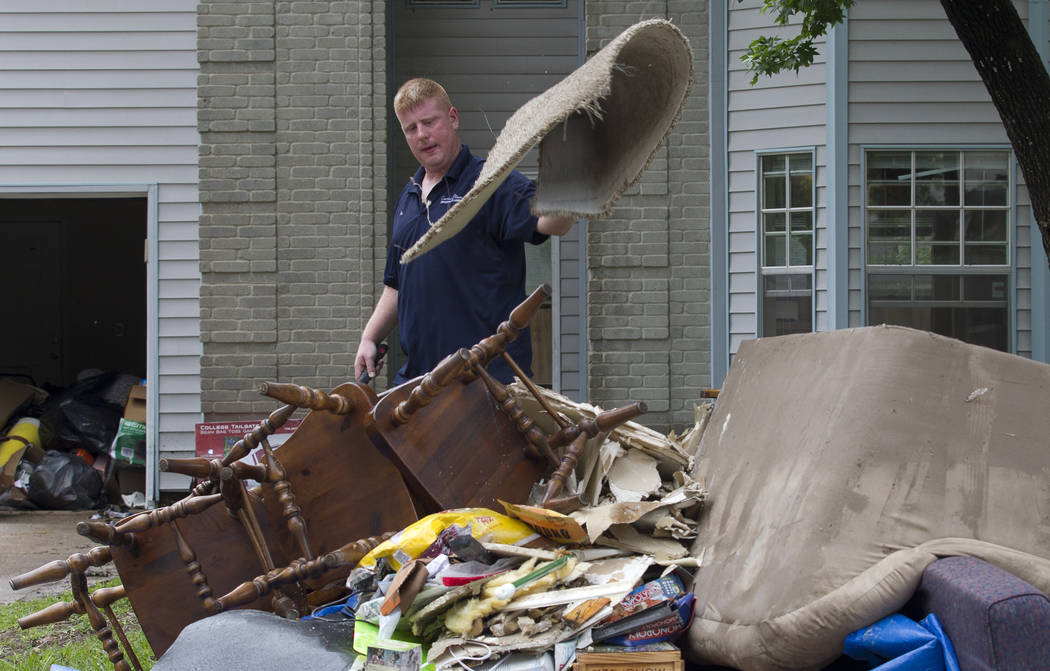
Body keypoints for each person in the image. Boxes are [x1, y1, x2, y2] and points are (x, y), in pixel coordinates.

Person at [354, 79, 574, 386]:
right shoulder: (410, 196)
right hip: (421, 382)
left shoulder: (489, 183)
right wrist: (369, 337)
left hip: (486, 381)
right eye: (411, 128)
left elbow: (553, 223)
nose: (422, 135)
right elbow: (396, 283)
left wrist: (577, 178)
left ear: (453, 118)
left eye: (430, 122)